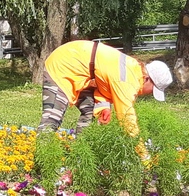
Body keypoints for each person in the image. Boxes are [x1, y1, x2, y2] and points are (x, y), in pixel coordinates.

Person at [38, 40, 173, 136]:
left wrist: (104, 108)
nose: (149, 94)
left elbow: (104, 84)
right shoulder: (127, 80)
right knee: (52, 119)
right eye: (153, 90)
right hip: (64, 65)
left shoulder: (133, 71)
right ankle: (40, 167)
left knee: (89, 112)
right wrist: (143, 155)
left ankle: (80, 155)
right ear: (148, 79)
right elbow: (127, 119)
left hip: (84, 73)